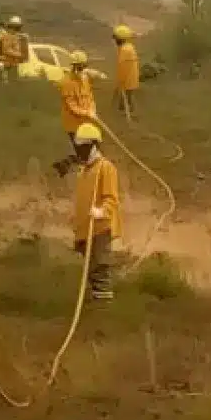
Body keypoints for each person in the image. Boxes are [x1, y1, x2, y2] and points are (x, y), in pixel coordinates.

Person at [70, 125, 123, 302]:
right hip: (86, 229)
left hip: (101, 228)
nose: (79, 150)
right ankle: (96, 302)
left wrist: (101, 211)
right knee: (90, 269)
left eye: (83, 146)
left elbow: (111, 198)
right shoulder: (84, 170)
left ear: (94, 145)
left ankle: (104, 306)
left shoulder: (105, 168)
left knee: (100, 267)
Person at [51, 49, 105, 176]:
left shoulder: (85, 79)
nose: (82, 70)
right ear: (73, 67)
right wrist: (87, 113)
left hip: (87, 123)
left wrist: (93, 109)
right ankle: (71, 167)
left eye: (84, 66)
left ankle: (67, 165)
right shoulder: (66, 83)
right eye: (79, 67)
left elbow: (89, 97)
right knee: (85, 155)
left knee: (92, 151)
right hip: (74, 125)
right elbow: (72, 106)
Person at [113, 24, 141, 118]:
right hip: (131, 77)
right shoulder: (129, 46)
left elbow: (122, 67)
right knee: (127, 95)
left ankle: (131, 113)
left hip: (128, 78)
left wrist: (120, 81)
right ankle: (123, 109)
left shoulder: (124, 50)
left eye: (116, 38)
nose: (115, 40)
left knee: (128, 96)